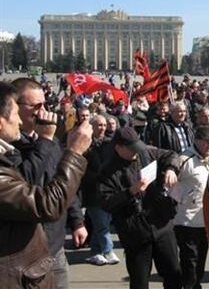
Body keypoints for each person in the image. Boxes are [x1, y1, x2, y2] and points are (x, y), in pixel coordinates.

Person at [0, 81, 93, 288]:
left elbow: (62, 180)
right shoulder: (11, 148)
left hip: (54, 244)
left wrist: (77, 220)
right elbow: (29, 187)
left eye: (45, 104)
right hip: (24, 255)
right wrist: (71, 151)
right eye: (35, 106)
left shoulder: (49, 141)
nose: (43, 112)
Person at [99, 127, 182, 289]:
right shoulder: (107, 170)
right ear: (118, 148)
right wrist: (131, 191)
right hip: (135, 233)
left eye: (137, 147)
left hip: (161, 224)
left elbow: (171, 155)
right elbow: (106, 202)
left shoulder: (145, 154)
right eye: (131, 149)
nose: (136, 152)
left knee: (173, 273)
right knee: (140, 281)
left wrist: (171, 169)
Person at [173, 126, 209, 289]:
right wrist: (181, 198)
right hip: (186, 222)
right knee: (189, 264)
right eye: (207, 142)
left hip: (205, 221)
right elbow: (169, 184)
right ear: (197, 141)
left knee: (200, 264)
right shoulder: (185, 159)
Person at [82, 114, 119, 266]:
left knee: (103, 221)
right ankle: (108, 250)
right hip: (92, 190)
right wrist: (97, 175)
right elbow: (83, 167)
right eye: (99, 125)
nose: (103, 128)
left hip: (108, 189)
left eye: (104, 125)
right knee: (101, 222)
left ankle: (95, 252)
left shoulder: (110, 143)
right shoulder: (85, 143)